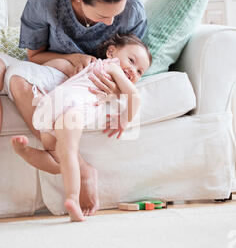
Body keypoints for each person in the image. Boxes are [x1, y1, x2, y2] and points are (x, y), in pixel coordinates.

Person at [0, 0, 147, 227]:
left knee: (19, 83)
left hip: (87, 86)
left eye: (116, 15)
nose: (112, 23)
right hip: (52, 68)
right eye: (104, 17)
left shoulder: (132, 10)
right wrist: (72, 60)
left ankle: (77, 169)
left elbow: (134, 69)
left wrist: (114, 88)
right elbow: (35, 56)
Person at [11, 33, 152, 222]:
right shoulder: (112, 67)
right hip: (74, 106)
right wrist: (125, 119)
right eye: (132, 61)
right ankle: (73, 199)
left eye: (140, 71)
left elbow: (56, 67)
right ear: (111, 52)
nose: (133, 70)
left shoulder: (90, 66)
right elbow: (134, 95)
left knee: (54, 155)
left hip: (52, 103)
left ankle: (24, 151)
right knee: (68, 151)